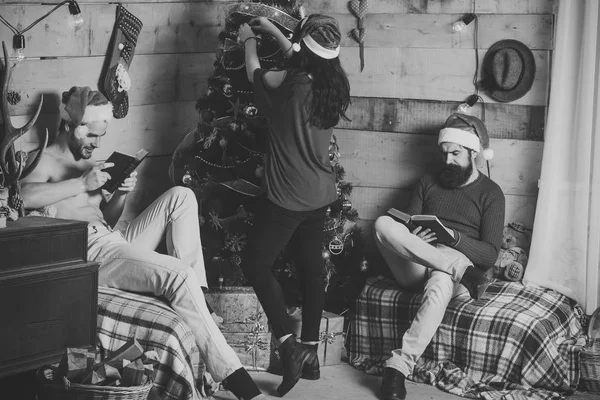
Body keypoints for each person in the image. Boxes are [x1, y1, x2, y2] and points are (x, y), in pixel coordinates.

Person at [20, 86, 268, 400]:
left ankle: (198, 301)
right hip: (88, 252)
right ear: (70, 126)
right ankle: (241, 384)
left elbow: (107, 218)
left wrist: (121, 193)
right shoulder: (39, 160)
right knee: (178, 276)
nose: (97, 144)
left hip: (112, 240)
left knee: (182, 196)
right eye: (91, 137)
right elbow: (23, 196)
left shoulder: (89, 163)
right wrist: (80, 183)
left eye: (101, 136)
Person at [236, 14, 350, 397]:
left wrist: (249, 41)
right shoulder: (334, 82)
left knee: (254, 263)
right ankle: (313, 355)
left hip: (289, 194)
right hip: (320, 192)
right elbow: (300, 60)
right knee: (311, 271)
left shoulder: (291, 83)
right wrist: (272, 29)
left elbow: (257, 75)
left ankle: (288, 346)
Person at [374, 113, 505, 400]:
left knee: (441, 283)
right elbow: (407, 224)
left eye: (456, 153)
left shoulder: (491, 194)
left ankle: (398, 368)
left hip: (452, 270)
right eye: (445, 153)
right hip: (420, 261)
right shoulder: (427, 182)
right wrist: (415, 237)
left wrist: (454, 239)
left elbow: (491, 254)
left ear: (474, 152)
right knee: (383, 224)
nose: (448, 161)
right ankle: (458, 269)